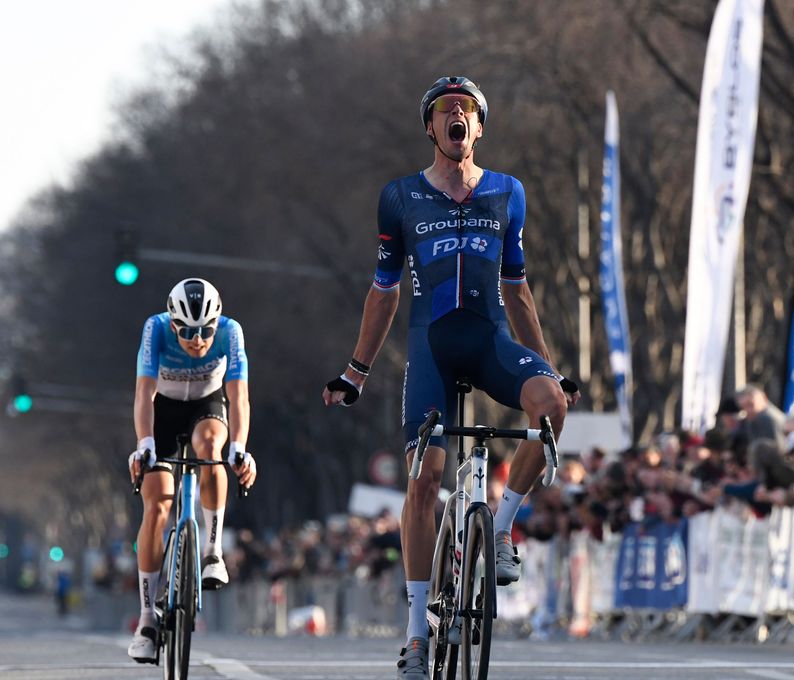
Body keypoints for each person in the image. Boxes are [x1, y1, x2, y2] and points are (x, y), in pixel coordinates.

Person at [321, 76, 578, 679]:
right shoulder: (400, 198)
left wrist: (550, 368)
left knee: (549, 408)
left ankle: (505, 527)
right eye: (445, 110)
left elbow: (517, 291)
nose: (457, 115)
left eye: (468, 110)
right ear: (431, 128)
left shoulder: (508, 192)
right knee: (425, 477)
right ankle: (415, 636)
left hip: (489, 342)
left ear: (479, 129)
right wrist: (355, 372)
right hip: (431, 350)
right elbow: (383, 294)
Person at [126, 278, 258, 663]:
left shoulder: (231, 333)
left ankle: (212, 551)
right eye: (186, 331)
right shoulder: (156, 329)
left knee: (211, 448)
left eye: (205, 331)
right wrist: (145, 444)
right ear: (173, 322)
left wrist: (241, 448)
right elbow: (143, 392)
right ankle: (148, 619)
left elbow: (239, 397)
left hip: (208, 405)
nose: (197, 340)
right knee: (157, 507)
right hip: (162, 411)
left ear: (217, 324)